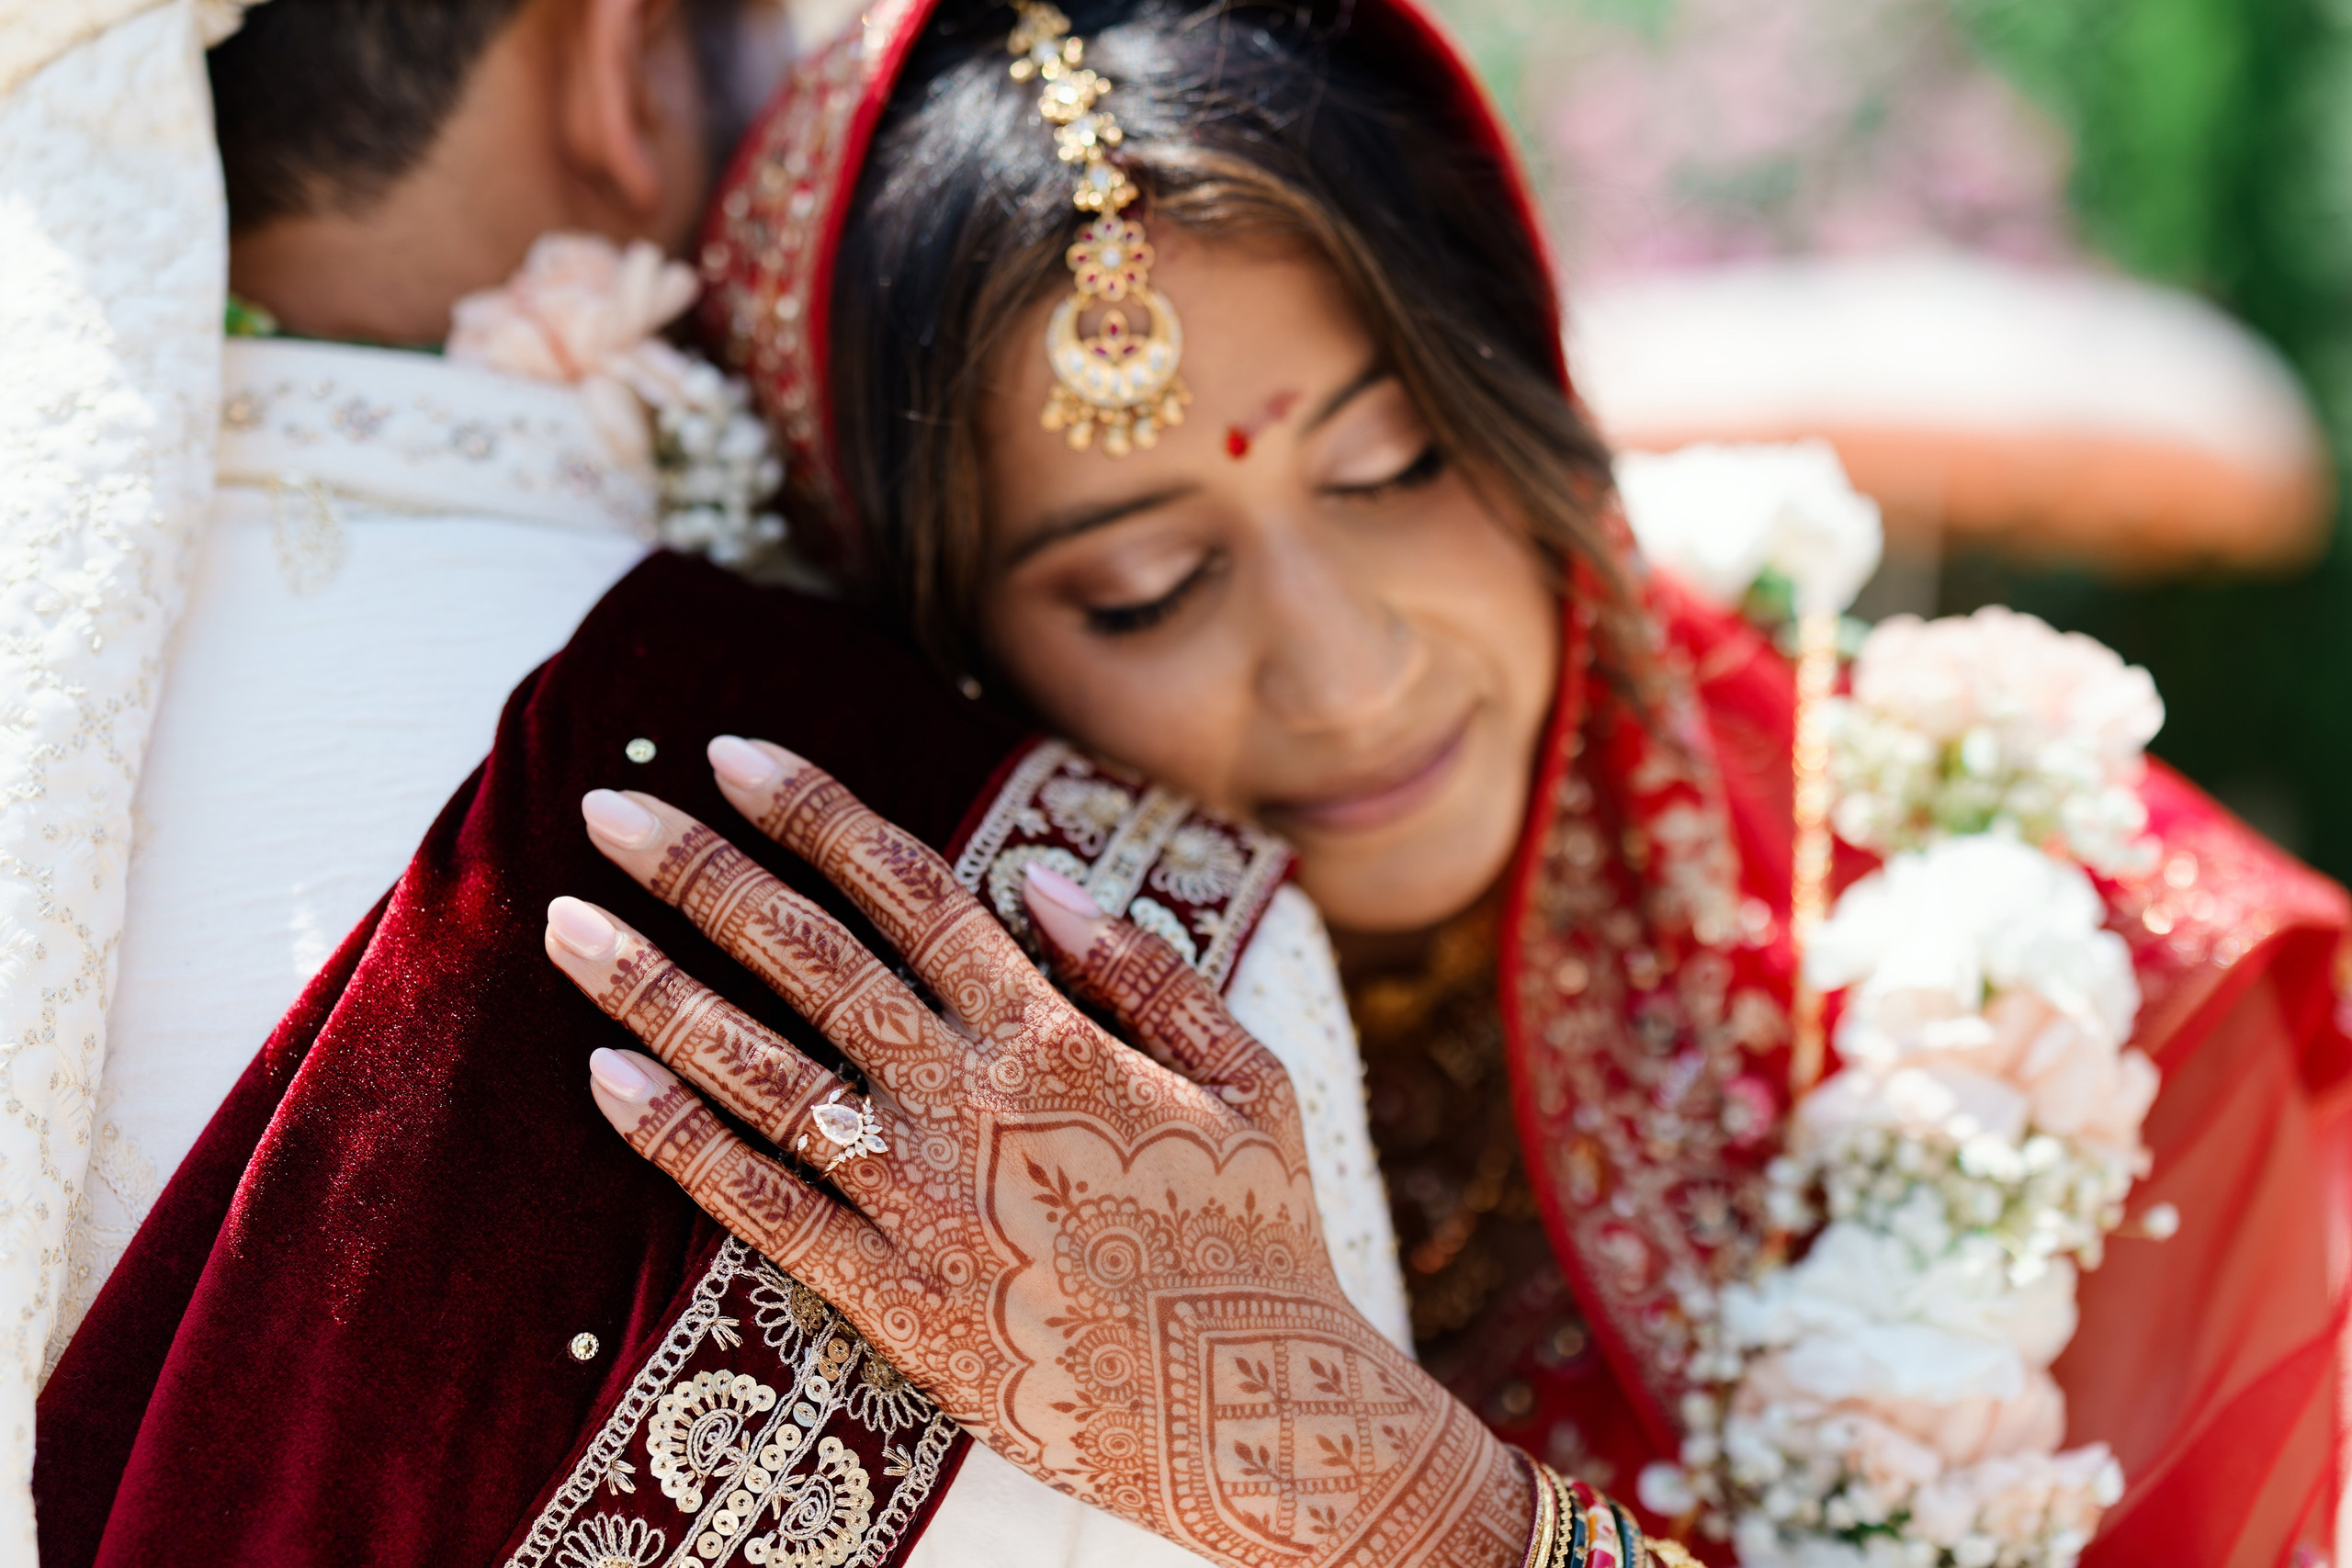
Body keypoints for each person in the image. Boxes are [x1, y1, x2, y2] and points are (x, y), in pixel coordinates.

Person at [560, 0, 2348, 1562]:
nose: (1348, 671)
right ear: (939, 637)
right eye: (1140, 590)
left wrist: (1382, 1495)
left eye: (1399, 462)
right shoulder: (968, 1104)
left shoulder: (2115, 1000)